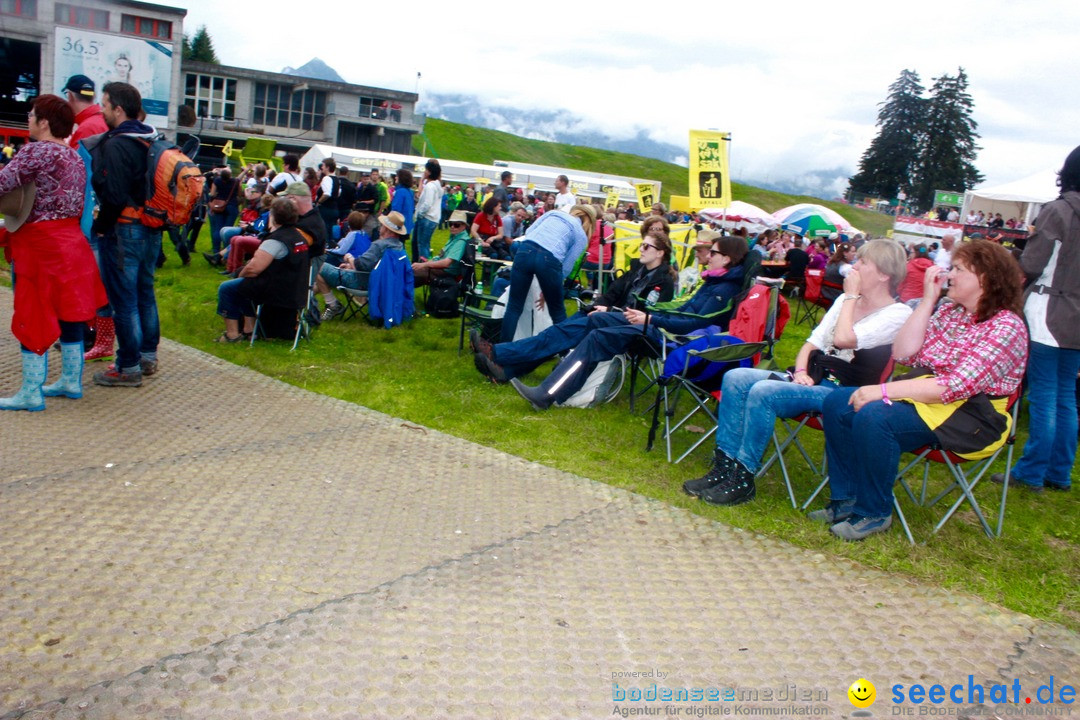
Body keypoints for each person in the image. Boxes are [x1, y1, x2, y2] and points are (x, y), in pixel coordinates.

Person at [813, 240, 1028, 540]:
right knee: (839, 402)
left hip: (974, 417)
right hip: (929, 397)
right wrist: (928, 300)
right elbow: (904, 354)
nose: (948, 274)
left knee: (876, 416)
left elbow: (954, 387)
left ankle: (873, 511)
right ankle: (846, 500)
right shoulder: (950, 313)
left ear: (985, 278)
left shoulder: (1006, 326)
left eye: (958, 269)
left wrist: (883, 391)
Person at [682, 240, 911, 505]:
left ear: (884, 274)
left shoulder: (897, 313)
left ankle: (743, 477)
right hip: (813, 377)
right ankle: (724, 466)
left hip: (845, 391)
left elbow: (844, 339)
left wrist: (850, 297)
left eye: (863, 262)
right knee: (735, 378)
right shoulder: (844, 301)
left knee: (764, 391)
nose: (854, 267)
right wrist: (801, 370)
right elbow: (812, 343)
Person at [476, 235, 746, 409]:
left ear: (727, 258)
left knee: (595, 336)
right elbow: (679, 307)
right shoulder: (711, 281)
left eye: (713, 251)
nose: (707, 255)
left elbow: (691, 321)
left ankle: (544, 392)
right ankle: (502, 356)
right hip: (653, 323)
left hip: (672, 340)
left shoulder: (723, 289)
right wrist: (615, 308)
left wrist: (649, 315)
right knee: (586, 319)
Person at [0, 95, 107, 409]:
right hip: (72, 244)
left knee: (33, 312)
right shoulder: (73, 154)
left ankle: (31, 393)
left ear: (44, 122)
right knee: (70, 312)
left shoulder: (35, 152)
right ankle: (71, 381)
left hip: (39, 246)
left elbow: (3, 183)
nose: (29, 119)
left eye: (32, 114)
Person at [995, 145, 1080, 492]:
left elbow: (1032, 265)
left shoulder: (1058, 211)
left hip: (1049, 312)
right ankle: (1058, 472)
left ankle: (1031, 473)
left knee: (1045, 393)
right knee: (1065, 396)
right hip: (1075, 318)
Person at [86, 82, 163, 387]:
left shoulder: (117, 144)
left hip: (125, 229)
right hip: (151, 227)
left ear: (118, 109)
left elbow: (114, 195)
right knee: (145, 292)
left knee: (124, 299)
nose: (102, 110)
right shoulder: (151, 139)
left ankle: (128, 366)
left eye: (104, 105)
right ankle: (147, 356)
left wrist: (102, 227)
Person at [214, 198, 311, 342]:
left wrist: (240, 274)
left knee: (228, 288)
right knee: (245, 285)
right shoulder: (299, 237)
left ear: (273, 216)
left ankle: (232, 334)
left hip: (276, 292)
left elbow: (253, 269)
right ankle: (249, 329)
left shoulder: (275, 240)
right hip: (297, 291)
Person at [499, 204, 594, 342]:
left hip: (525, 250)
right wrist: (549, 288)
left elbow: (530, 231)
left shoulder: (553, 213)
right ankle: (564, 354)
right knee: (558, 312)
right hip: (550, 260)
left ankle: (501, 351)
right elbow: (567, 266)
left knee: (514, 306)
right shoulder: (581, 235)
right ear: (590, 222)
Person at [316, 211, 409, 319]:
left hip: (362, 281)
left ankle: (333, 305)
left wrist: (349, 258)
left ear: (387, 229)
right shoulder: (399, 247)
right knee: (323, 277)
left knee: (319, 266)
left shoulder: (379, 245)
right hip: (380, 283)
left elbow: (360, 265)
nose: (380, 228)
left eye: (382, 225)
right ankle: (307, 300)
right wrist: (350, 266)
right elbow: (376, 266)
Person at [413, 209, 471, 286]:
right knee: (411, 271)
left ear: (464, 226)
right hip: (440, 270)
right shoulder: (454, 237)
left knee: (412, 274)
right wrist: (427, 263)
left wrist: (423, 265)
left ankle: (401, 295)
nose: (452, 227)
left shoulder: (461, 241)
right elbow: (440, 256)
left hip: (447, 273)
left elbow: (446, 263)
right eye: (450, 224)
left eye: (456, 225)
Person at [413, 159, 443, 261]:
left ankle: (423, 267)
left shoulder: (430, 186)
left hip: (426, 218)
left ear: (429, 172)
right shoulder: (437, 186)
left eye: (426, 170)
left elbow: (427, 204)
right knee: (425, 244)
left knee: (422, 245)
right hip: (433, 218)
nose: (424, 172)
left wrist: (420, 214)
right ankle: (424, 265)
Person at [472, 196, 507, 260]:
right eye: (499, 206)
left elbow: (501, 234)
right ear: (493, 207)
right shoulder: (481, 215)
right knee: (493, 255)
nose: (500, 208)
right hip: (479, 240)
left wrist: (493, 238)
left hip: (493, 242)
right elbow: (473, 231)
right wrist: (481, 242)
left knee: (505, 256)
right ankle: (488, 269)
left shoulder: (497, 217)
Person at [316, 157, 340, 238]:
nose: (321, 167)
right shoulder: (337, 179)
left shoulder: (327, 178)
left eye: (323, 165)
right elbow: (339, 193)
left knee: (324, 231)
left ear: (328, 167)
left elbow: (327, 194)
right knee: (330, 232)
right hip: (334, 209)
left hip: (325, 209)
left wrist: (318, 202)